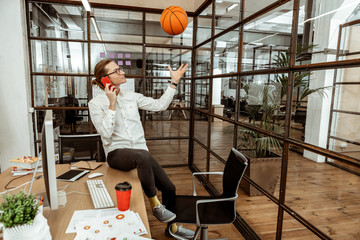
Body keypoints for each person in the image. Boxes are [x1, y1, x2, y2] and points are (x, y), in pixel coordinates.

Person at [88, 59, 194, 239]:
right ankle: (155, 205)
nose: (122, 73)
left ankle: (172, 229)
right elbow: (105, 134)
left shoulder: (132, 96)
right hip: (117, 154)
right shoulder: (96, 103)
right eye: (117, 71)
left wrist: (173, 82)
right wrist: (112, 104)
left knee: (170, 188)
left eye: (120, 69)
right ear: (105, 79)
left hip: (141, 154)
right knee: (142, 156)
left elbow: (159, 105)